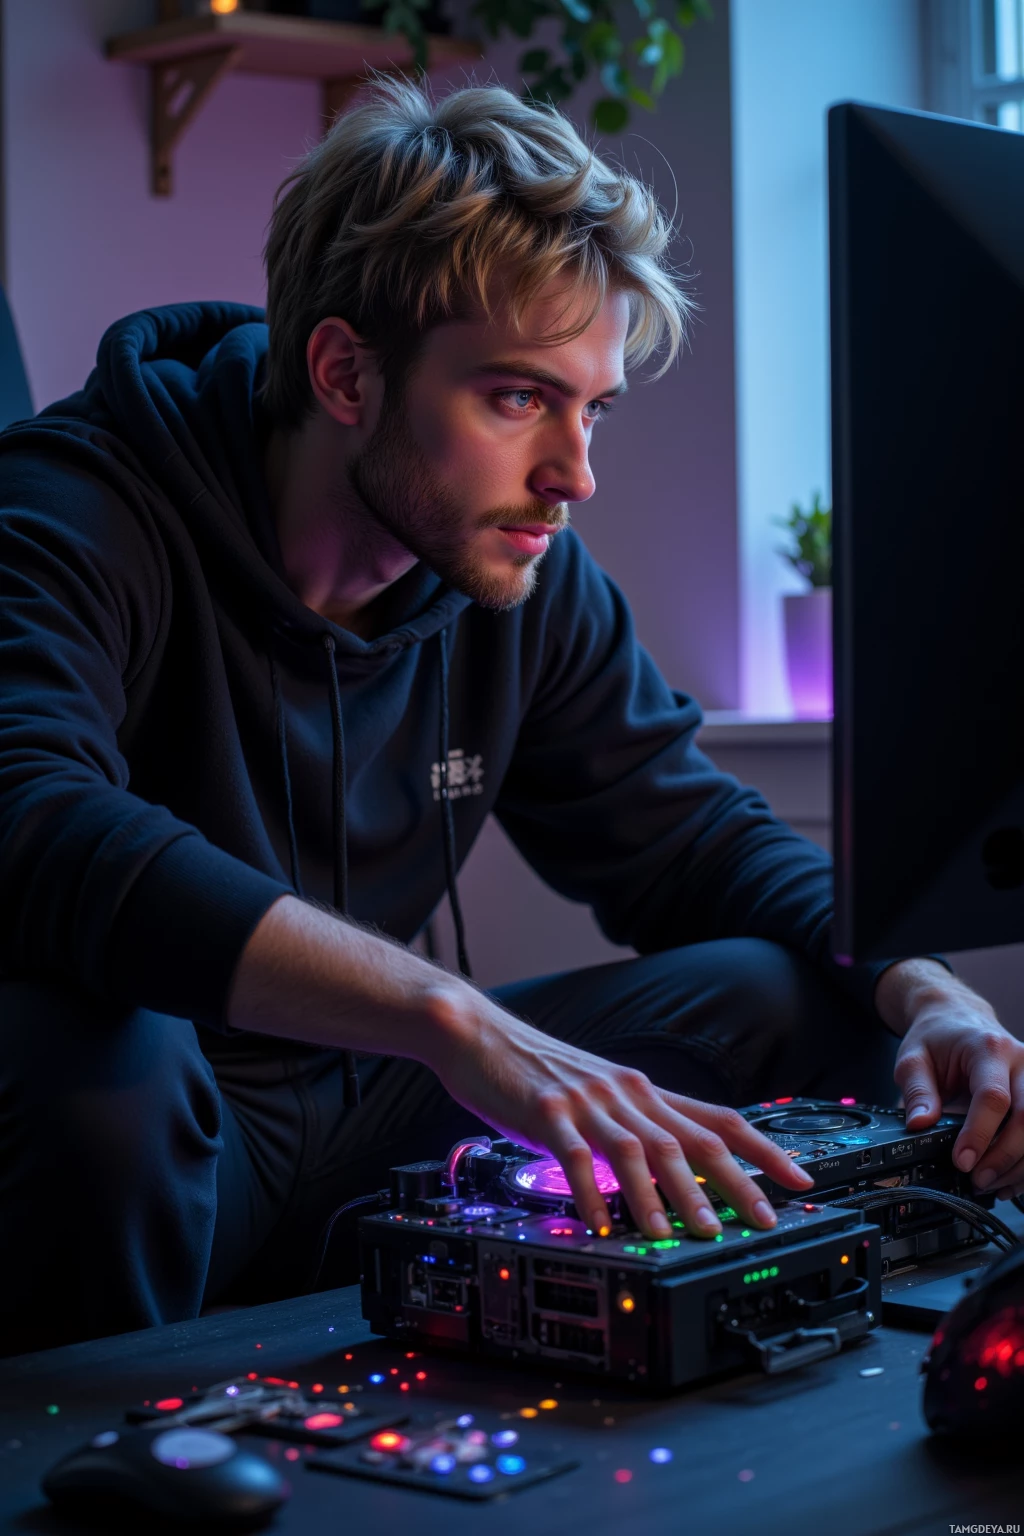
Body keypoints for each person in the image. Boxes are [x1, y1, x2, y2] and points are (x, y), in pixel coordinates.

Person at [1, 77, 1020, 1358]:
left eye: (592, 408)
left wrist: (927, 990)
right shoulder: (73, 507)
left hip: (355, 1126)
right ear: (344, 373)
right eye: (518, 398)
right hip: (148, 1134)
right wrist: (458, 1021)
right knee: (92, 1059)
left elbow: (690, 845)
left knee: (783, 996)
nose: (574, 474)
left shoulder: (522, 574)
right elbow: (29, 817)